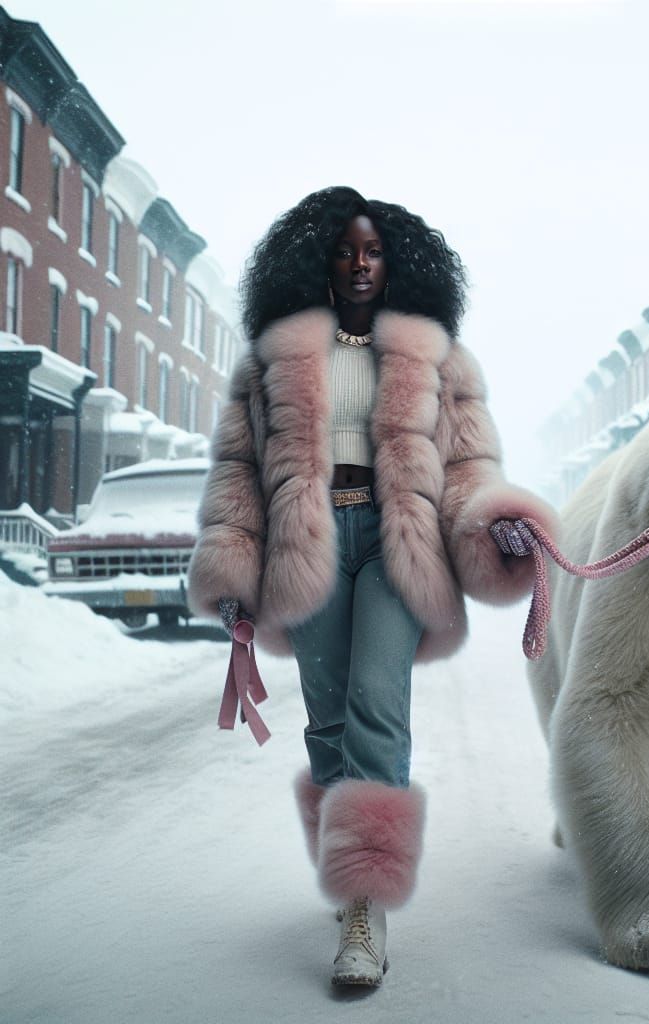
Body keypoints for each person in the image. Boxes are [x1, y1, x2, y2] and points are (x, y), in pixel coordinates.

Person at [187, 186, 556, 988]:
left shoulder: (439, 360)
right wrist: (231, 567)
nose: (359, 263)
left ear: (397, 265)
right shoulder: (272, 360)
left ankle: (365, 904)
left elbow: (466, 469)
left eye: (374, 250)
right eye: (345, 249)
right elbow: (238, 475)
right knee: (327, 719)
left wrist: (499, 523)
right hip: (307, 540)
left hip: (399, 545)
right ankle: (352, 859)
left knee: (377, 708)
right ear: (317, 262)